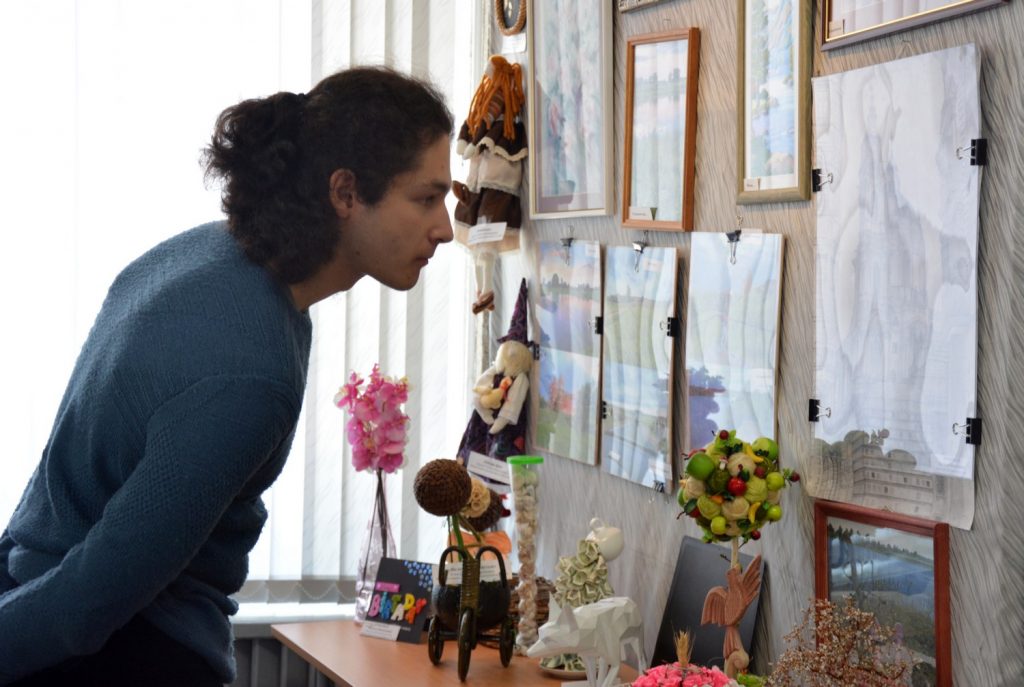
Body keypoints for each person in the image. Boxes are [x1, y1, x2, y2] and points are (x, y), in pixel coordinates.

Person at [0, 66, 454, 686]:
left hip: (35, 594)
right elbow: (90, 600)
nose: (444, 228)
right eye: (427, 198)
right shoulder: (252, 370)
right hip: (116, 655)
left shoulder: (194, 254)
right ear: (346, 193)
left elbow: (56, 488)